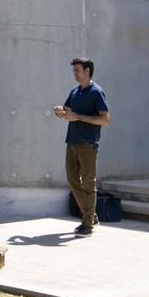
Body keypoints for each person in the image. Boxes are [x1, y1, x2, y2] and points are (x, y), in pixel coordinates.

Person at [53, 57, 111, 237]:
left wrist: (78, 117)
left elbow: (105, 119)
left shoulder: (97, 92)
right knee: (72, 180)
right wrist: (60, 111)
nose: (74, 73)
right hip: (72, 141)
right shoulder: (75, 91)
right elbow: (67, 110)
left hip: (88, 144)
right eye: (74, 70)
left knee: (88, 183)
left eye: (77, 70)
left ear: (87, 71)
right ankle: (91, 215)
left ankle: (87, 225)